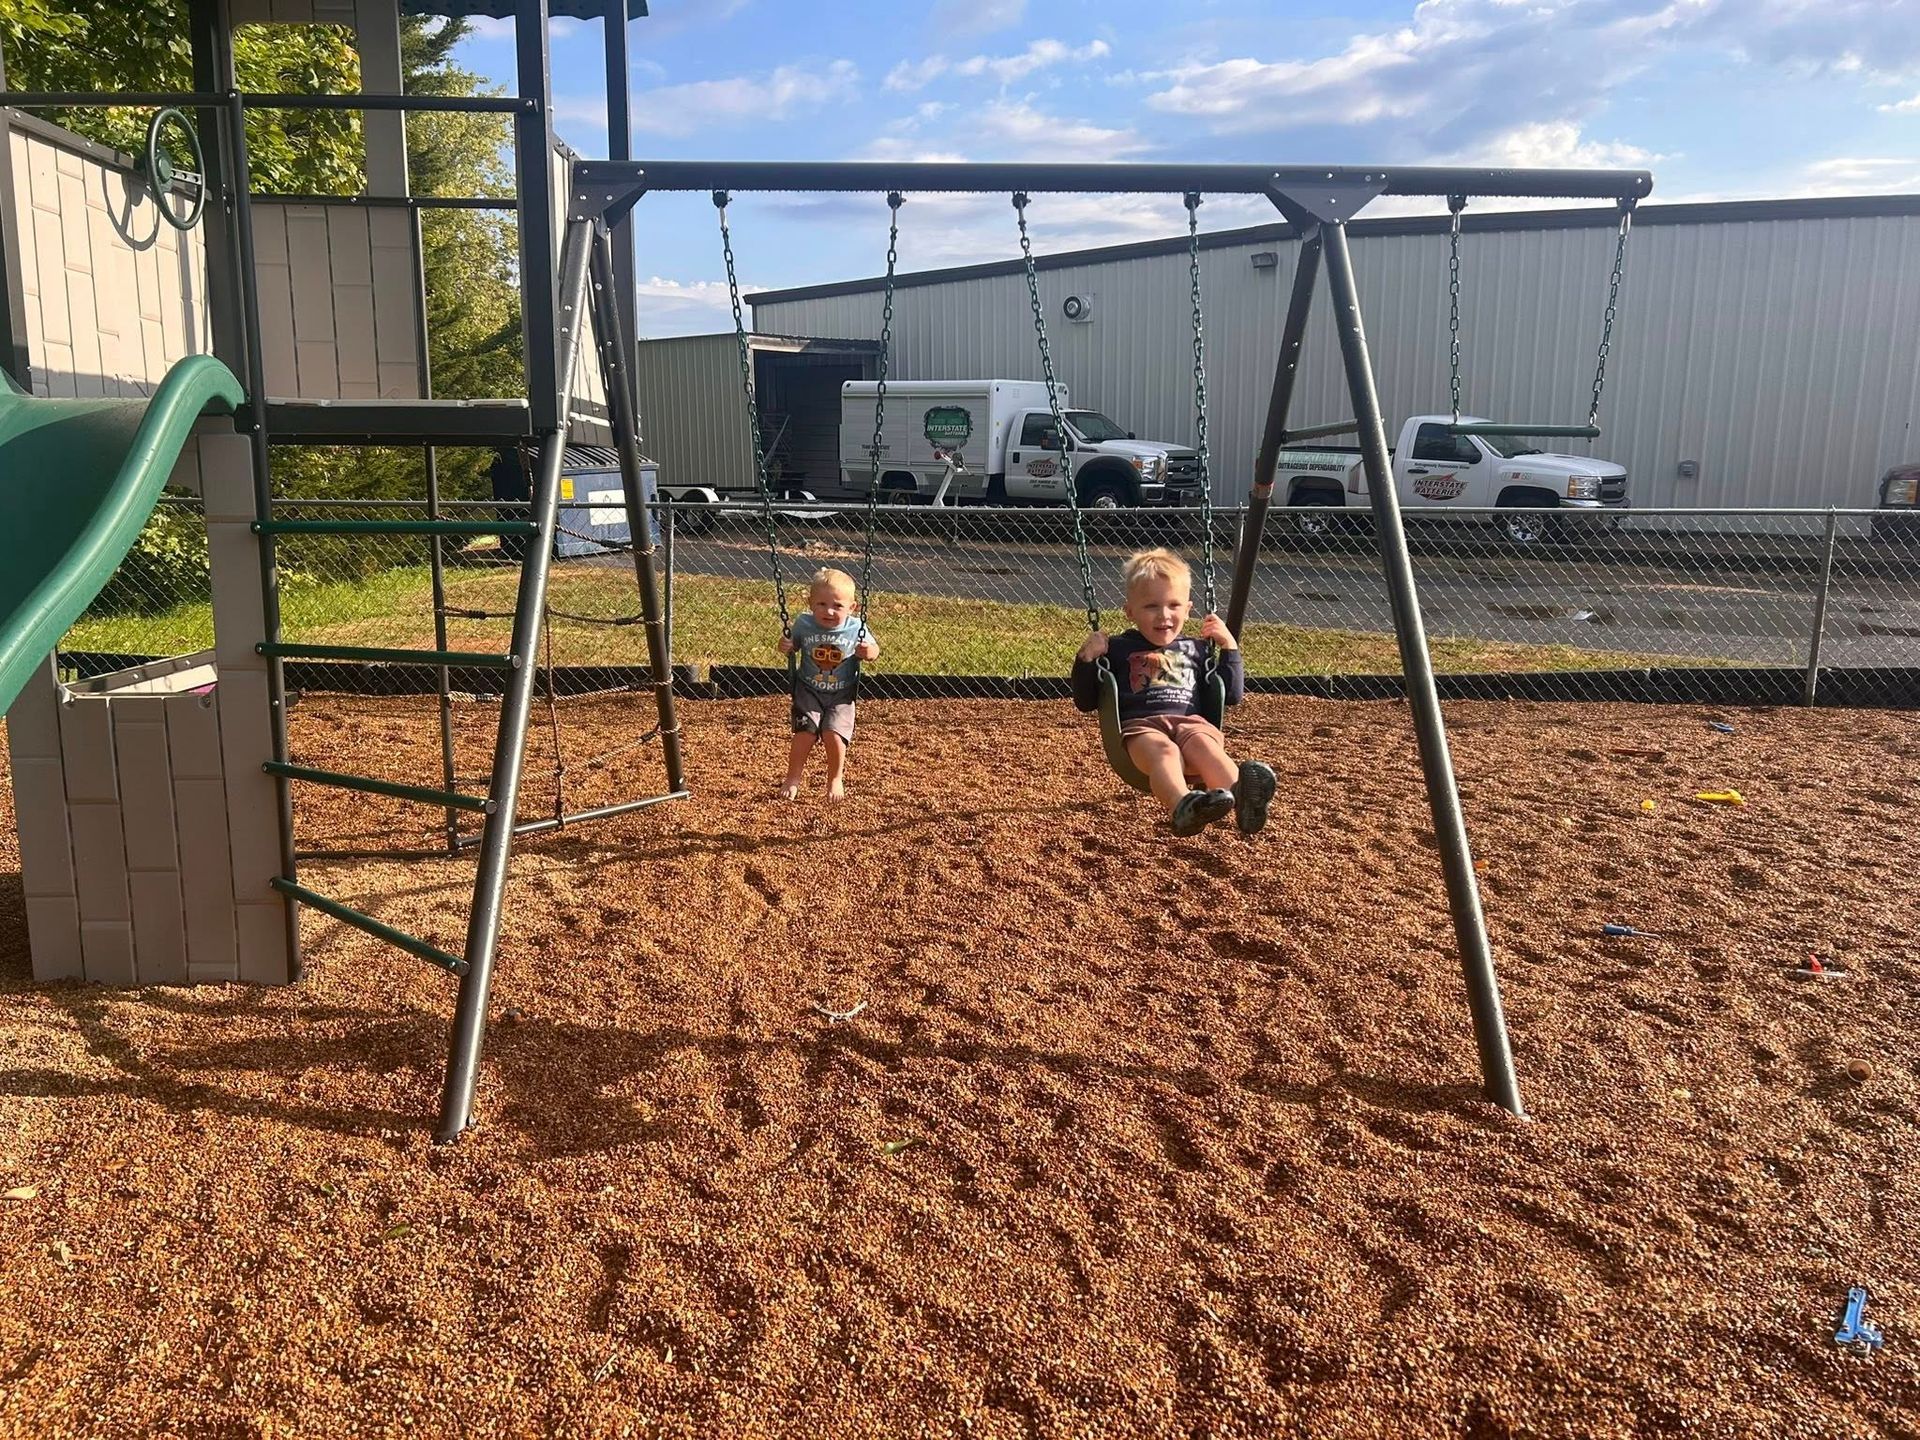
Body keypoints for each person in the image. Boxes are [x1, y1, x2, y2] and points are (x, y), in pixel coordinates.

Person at [1070, 548, 1276, 836]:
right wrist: (1086, 659)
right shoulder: (1116, 648)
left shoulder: (1197, 649)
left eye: (1174, 605)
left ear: (1188, 609)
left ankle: (1243, 798)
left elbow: (1231, 695)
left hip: (1191, 723)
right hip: (1143, 730)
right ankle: (1184, 807)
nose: (1164, 616)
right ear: (1130, 611)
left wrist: (1230, 647)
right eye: (1151, 606)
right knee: (1165, 751)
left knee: (1206, 746)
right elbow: (1086, 701)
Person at [777, 567, 879, 801]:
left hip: (841, 695)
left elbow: (874, 651)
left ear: (852, 608)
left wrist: (868, 652)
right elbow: (791, 644)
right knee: (805, 734)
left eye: (837, 606)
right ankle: (793, 777)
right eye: (821, 604)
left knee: (834, 735)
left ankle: (835, 778)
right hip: (808, 690)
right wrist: (785, 645)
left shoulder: (855, 628)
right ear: (810, 602)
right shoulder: (804, 623)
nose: (829, 611)